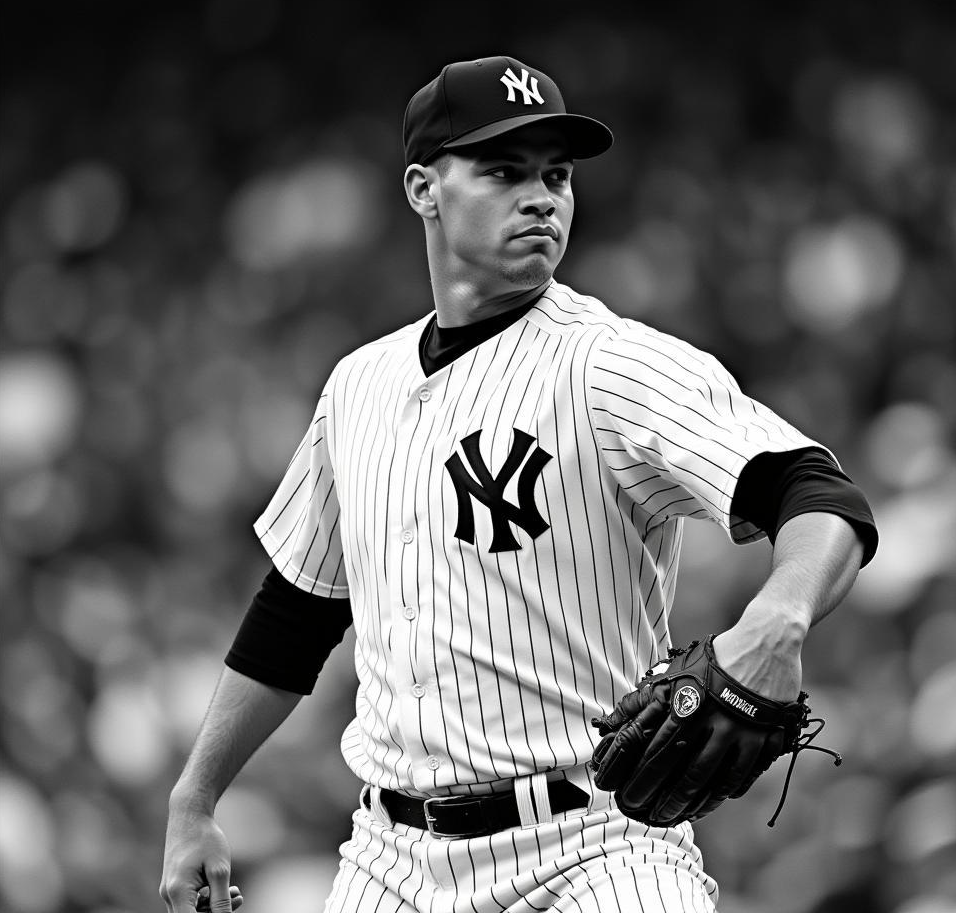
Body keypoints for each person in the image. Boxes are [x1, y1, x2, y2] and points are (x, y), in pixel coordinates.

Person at [160, 55, 877, 913]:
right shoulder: (358, 385)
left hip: (594, 847)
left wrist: (777, 618)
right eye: (504, 171)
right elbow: (296, 615)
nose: (542, 197)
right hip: (390, 858)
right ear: (425, 189)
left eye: (557, 174)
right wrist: (195, 797)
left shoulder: (608, 362)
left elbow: (817, 493)